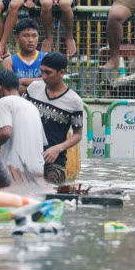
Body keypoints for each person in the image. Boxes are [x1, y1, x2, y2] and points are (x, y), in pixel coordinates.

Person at [25, 52, 84, 184]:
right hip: (27, 158)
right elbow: (20, 115)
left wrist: (58, 148)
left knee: (47, 191)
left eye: (48, 72)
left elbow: (78, 135)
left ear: (61, 72)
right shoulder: (33, 88)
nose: (43, 76)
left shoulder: (74, 101)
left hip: (53, 163)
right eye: (41, 71)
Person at [0, 69, 47, 180]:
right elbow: (42, 142)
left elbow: (6, 132)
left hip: (15, 170)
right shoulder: (32, 107)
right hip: (38, 171)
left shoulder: (4, 102)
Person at [1, 18, 46, 95]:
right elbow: (11, 87)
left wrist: (22, 81)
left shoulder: (46, 58)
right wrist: (39, 85)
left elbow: (50, 82)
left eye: (34, 36)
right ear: (17, 38)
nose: (31, 40)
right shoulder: (9, 61)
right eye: (26, 36)